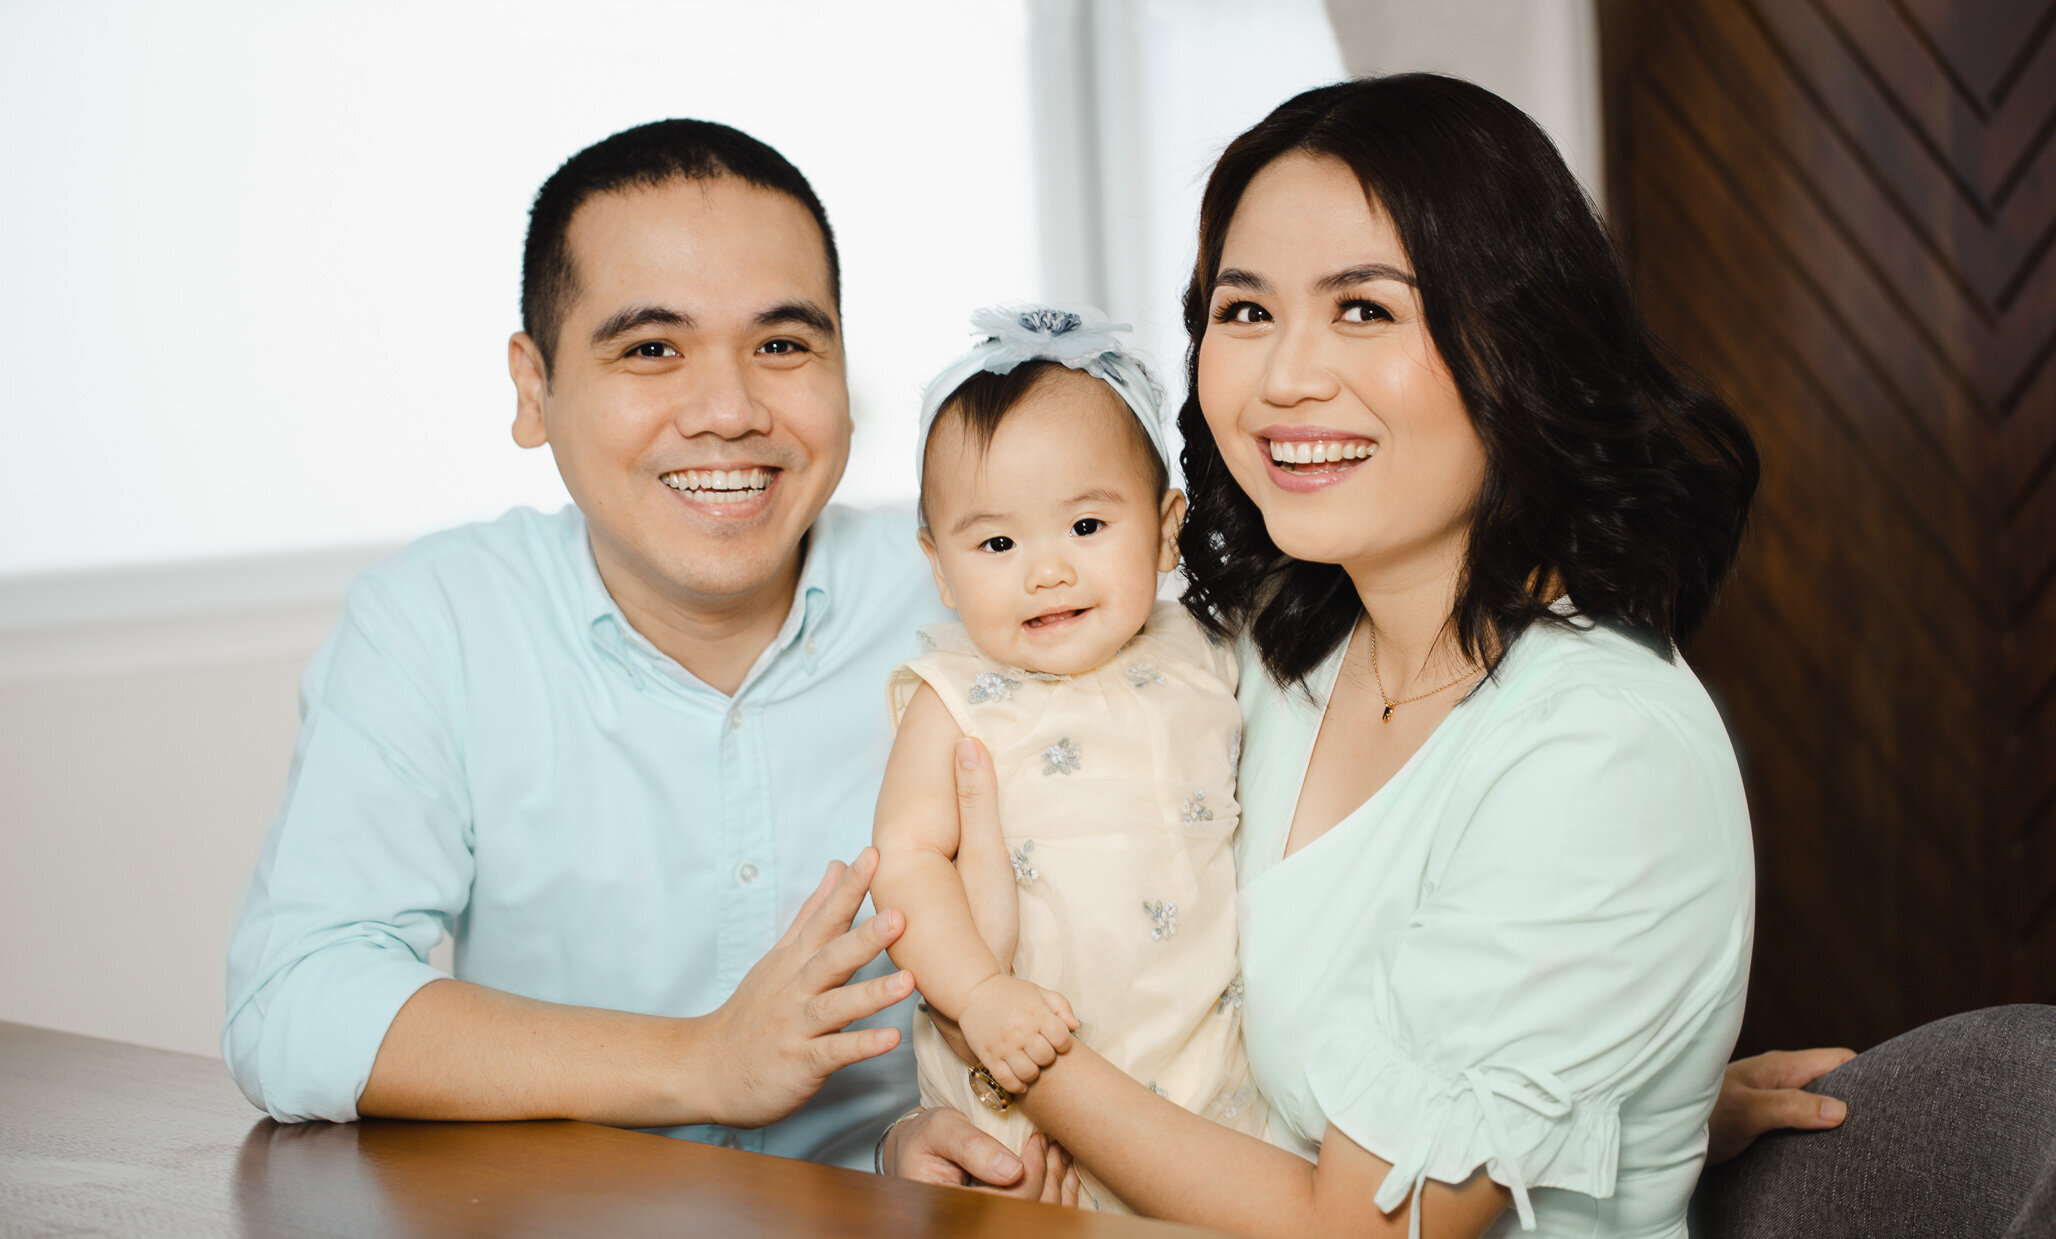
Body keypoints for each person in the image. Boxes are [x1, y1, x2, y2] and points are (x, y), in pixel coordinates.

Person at [220, 113, 1838, 1201]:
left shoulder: (1053, 589)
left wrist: (1621, 1092)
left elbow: (1364, 967)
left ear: (854, 381)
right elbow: (298, 1005)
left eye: (783, 343)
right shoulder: (439, 621)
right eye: (649, 348)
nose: (727, 407)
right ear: (530, 382)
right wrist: (704, 1060)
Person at [902, 73, 1801, 1237]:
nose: (1285, 380)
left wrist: (1007, 1049)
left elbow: (1358, 1227)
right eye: (1245, 311)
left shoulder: (1602, 747)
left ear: (1516, 337)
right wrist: (936, 1130)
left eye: (1365, 309)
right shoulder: (1271, 657)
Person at [871, 305, 1265, 1212]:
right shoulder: (954, 696)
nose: (1046, 570)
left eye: (1087, 527)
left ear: (1167, 530)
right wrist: (977, 995)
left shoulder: (1205, 651)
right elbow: (905, 858)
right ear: (940, 566)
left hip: (1209, 1087)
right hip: (1023, 1081)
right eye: (998, 544)